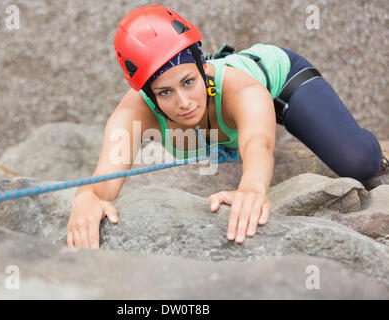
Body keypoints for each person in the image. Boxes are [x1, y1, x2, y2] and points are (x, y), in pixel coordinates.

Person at [67, 5, 388, 248]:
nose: (183, 101)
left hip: (280, 84)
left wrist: (251, 189)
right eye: (165, 92)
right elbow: (103, 180)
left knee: (358, 162)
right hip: (233, 119)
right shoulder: (134, 112)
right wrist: (85, 199)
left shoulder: (240, 89)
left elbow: (258, 147)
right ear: (148, 94)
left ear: (204, 66)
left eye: (188, 81)